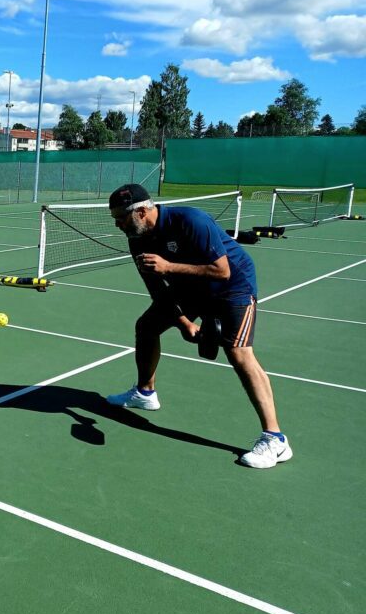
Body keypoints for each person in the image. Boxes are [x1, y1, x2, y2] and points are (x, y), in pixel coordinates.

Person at [104, 184, 290, 469]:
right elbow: (156, 288)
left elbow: (221, 270)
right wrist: (183, 323)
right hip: (189, 288)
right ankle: (145, 393)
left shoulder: (191, 220)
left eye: (121, 218)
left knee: (239, 353)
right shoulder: (136, 238)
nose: (117, 225)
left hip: (233, 287)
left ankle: (275, 439)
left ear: (141, 211)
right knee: (147, 326)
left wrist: (169, 267)